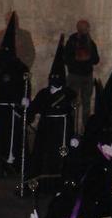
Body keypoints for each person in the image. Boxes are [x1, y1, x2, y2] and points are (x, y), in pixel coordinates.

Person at [0, 12, 29, 177]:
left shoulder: (21, 68)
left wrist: (24, 99)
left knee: (12, 140)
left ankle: (13, 164)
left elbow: (25, 84)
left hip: (13, 109)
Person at [28, 35, 76, 191]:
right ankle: (42, 182)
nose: (55, 79)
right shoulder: (43, 93)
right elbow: (34, 108)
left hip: (62, 128)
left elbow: (74, 113)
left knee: (60, 156)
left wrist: (74, 136)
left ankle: (61, 183)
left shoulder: (70, 93)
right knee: (44, 155)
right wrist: (27, 115)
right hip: (46, 128)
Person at [63, 19, 100, 126]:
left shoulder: (90, 42)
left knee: (86, 103)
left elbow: (96, 59)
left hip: (87, 76)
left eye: (87, 28)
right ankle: (70, 127)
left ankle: (86, 127)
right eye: (85, 28)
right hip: (74, 76)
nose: (87, 30)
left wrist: (88, 58)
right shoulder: (71, 42)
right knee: (72, 102)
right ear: (79, 29)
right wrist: (77, 59)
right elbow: (65, 58)